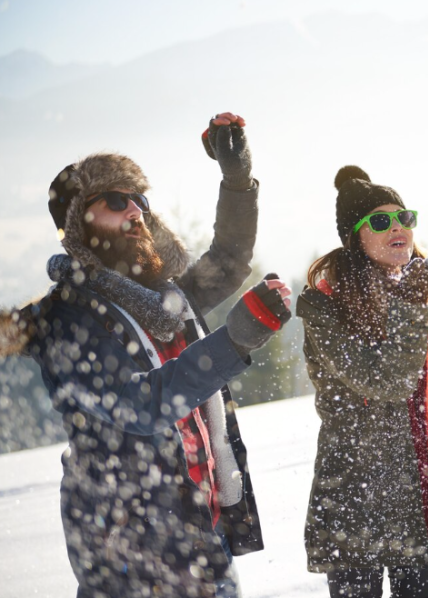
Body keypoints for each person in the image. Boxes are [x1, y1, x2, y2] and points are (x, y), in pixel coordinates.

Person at [0, 113, 291, 597]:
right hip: (130, 553)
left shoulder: (162, 299)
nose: (135, 211)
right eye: (116, 201)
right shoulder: (66, 319)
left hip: (200, 532)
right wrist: (233, 341)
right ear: (78, 226)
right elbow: (138, 406)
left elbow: (228, 258)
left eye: (139, 200)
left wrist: (236, 178)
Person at [296, 166, 428, 598]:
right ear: (355, 237)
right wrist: (412, 302)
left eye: (404, 217)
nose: (397, 227)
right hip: (354, 507)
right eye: (379, 220)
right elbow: (386, 379)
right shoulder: (324, 307)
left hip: (419, 504)